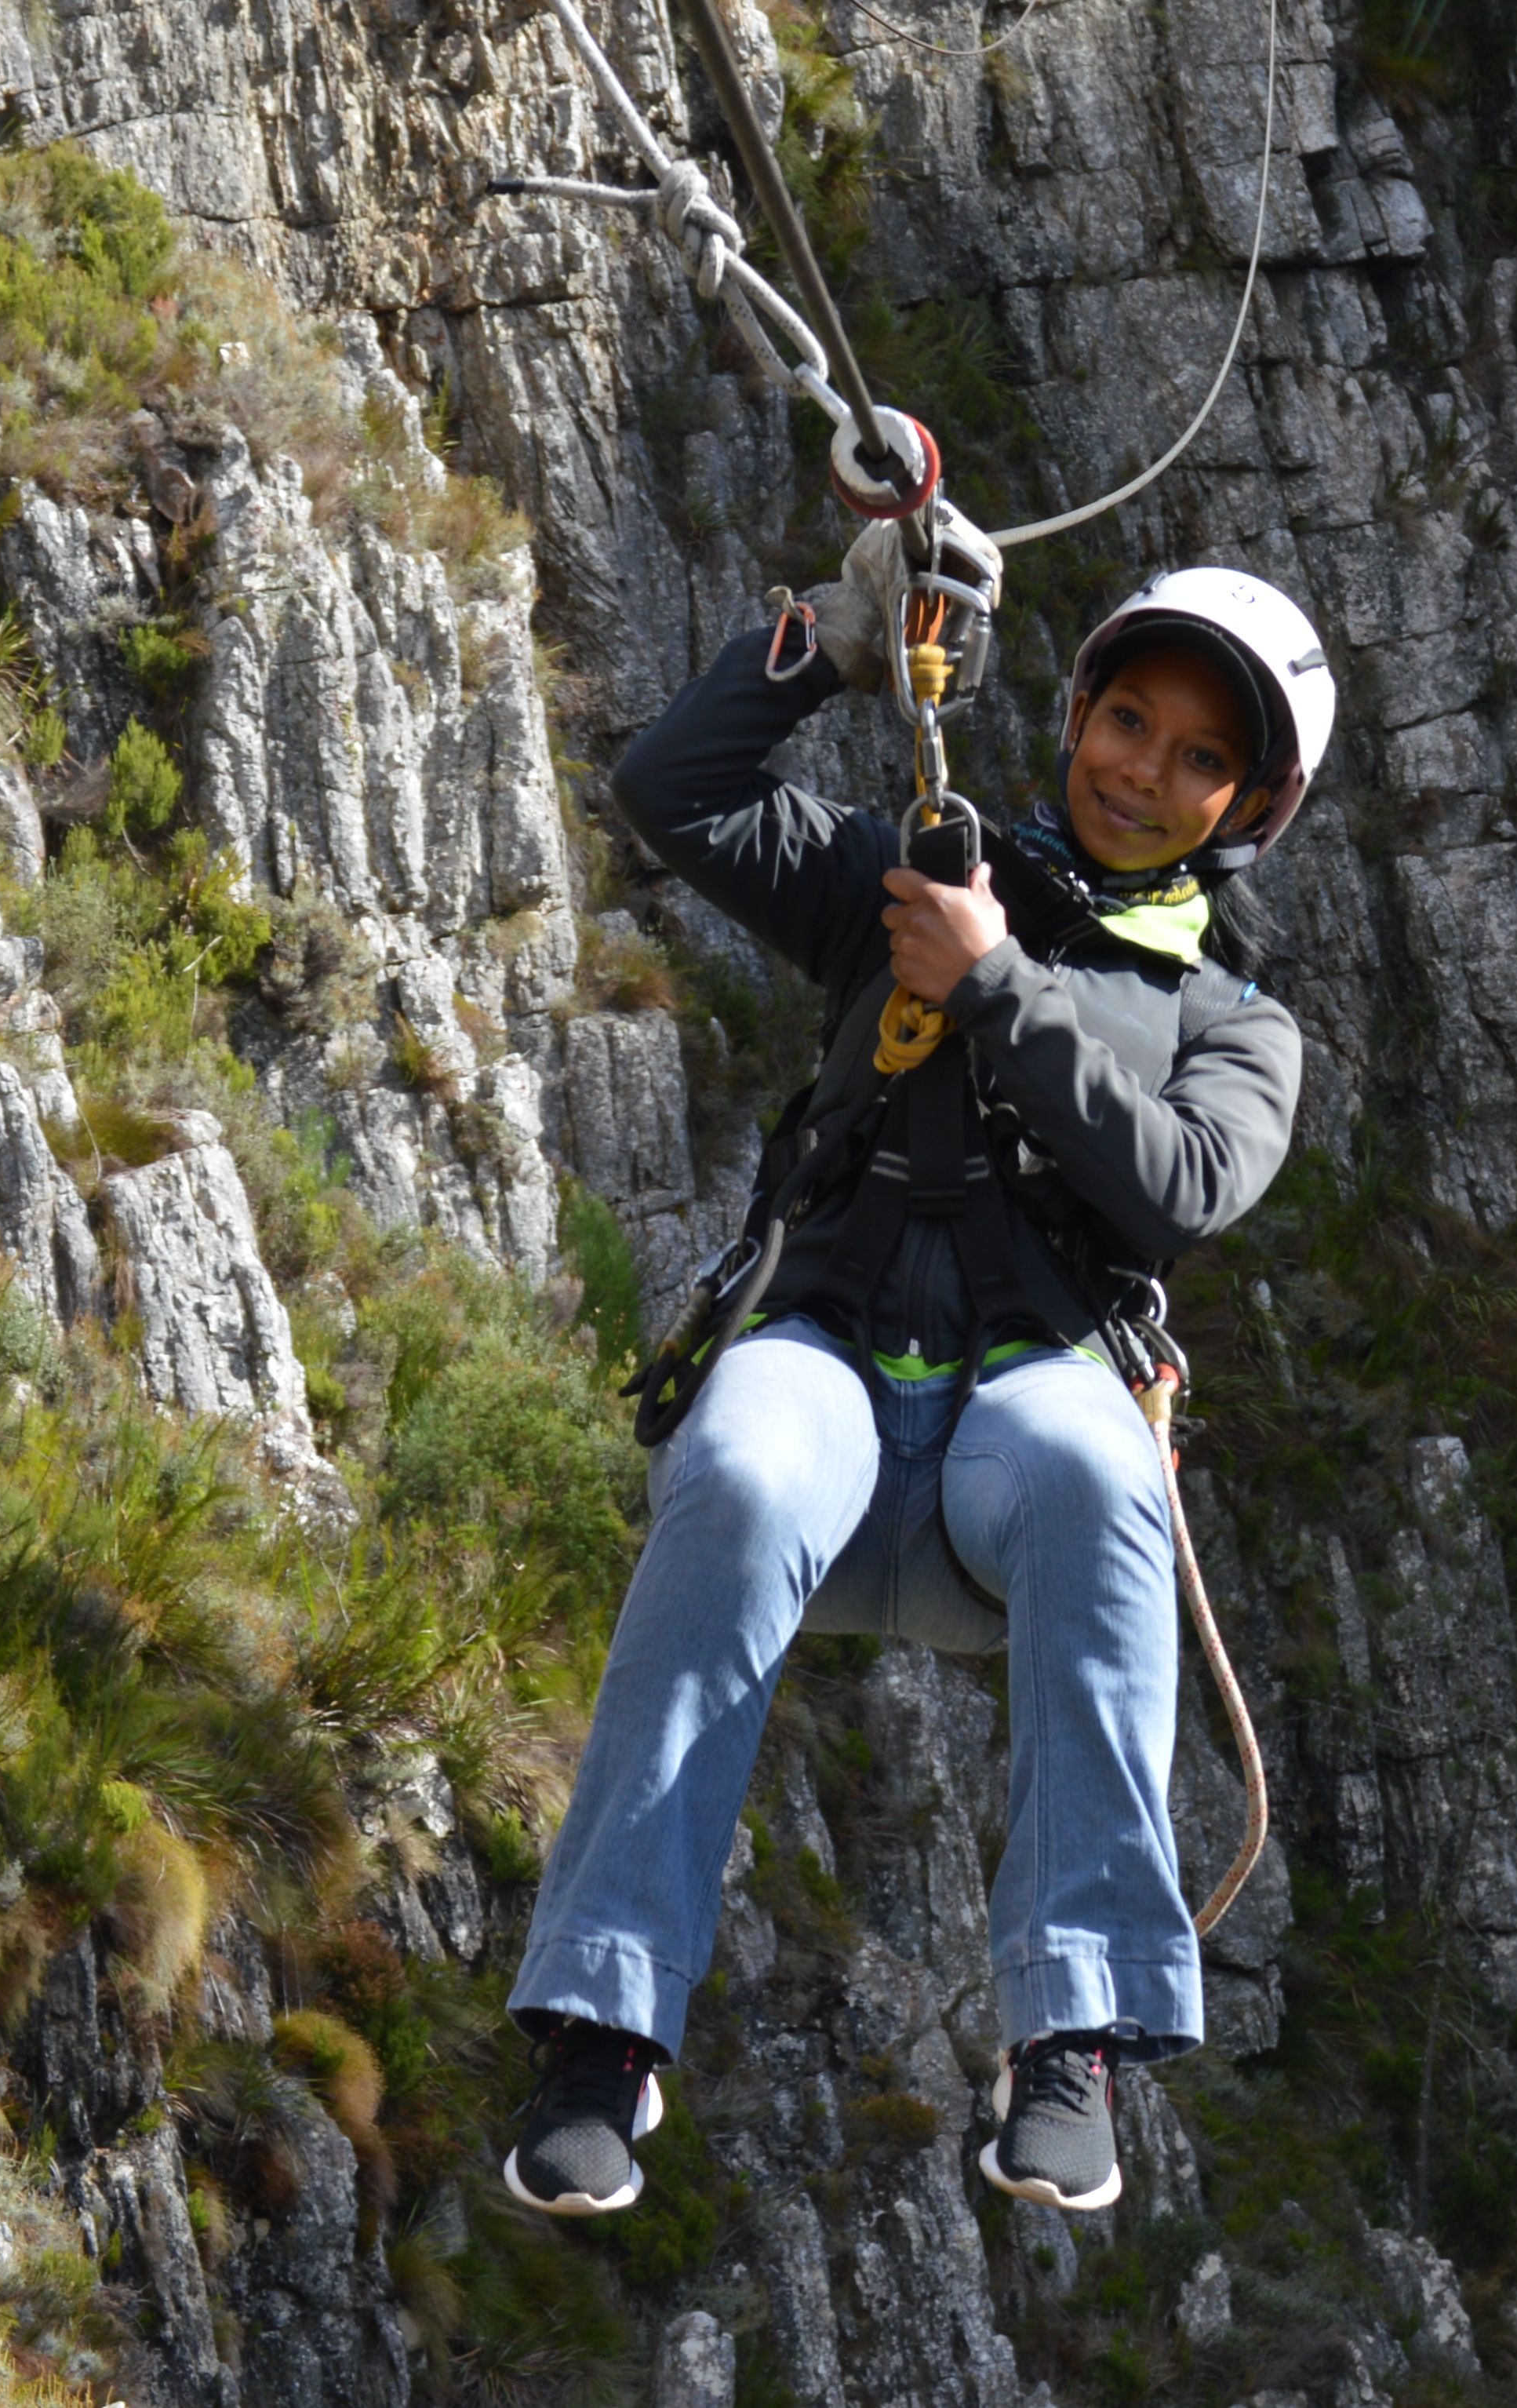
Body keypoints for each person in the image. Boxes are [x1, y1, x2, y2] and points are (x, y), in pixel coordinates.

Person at [496, 519, 1339, 2223]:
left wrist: (1000, 988)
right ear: (1080, 709)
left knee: (1106, 1468)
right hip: (830, 1373)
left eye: (1197, 758)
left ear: (1244, 810)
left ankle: (1074, 2032)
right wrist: (840, 633)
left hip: (1024, 1432)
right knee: (730, 1467)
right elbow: (676, 785)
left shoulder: (1235, 1022)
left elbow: (1177, 1183)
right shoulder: (918, 873)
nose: (1143, 771)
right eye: (1127, 722)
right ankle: (601, 2027)